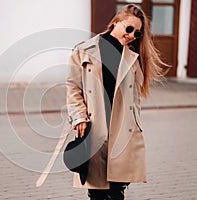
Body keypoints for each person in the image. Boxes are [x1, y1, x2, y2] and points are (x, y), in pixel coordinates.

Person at [66, 4, 169, 200]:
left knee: (116, 193)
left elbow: (135, 100)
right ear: (116, 22)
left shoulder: (134, 57)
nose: (131, 35)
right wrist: (79, 117)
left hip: (122, 133)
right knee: (96, 193)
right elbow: (73, 88)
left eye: (137, 33)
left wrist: (135, 125)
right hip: (95, 130)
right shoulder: (83, 50)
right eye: (129, 28)